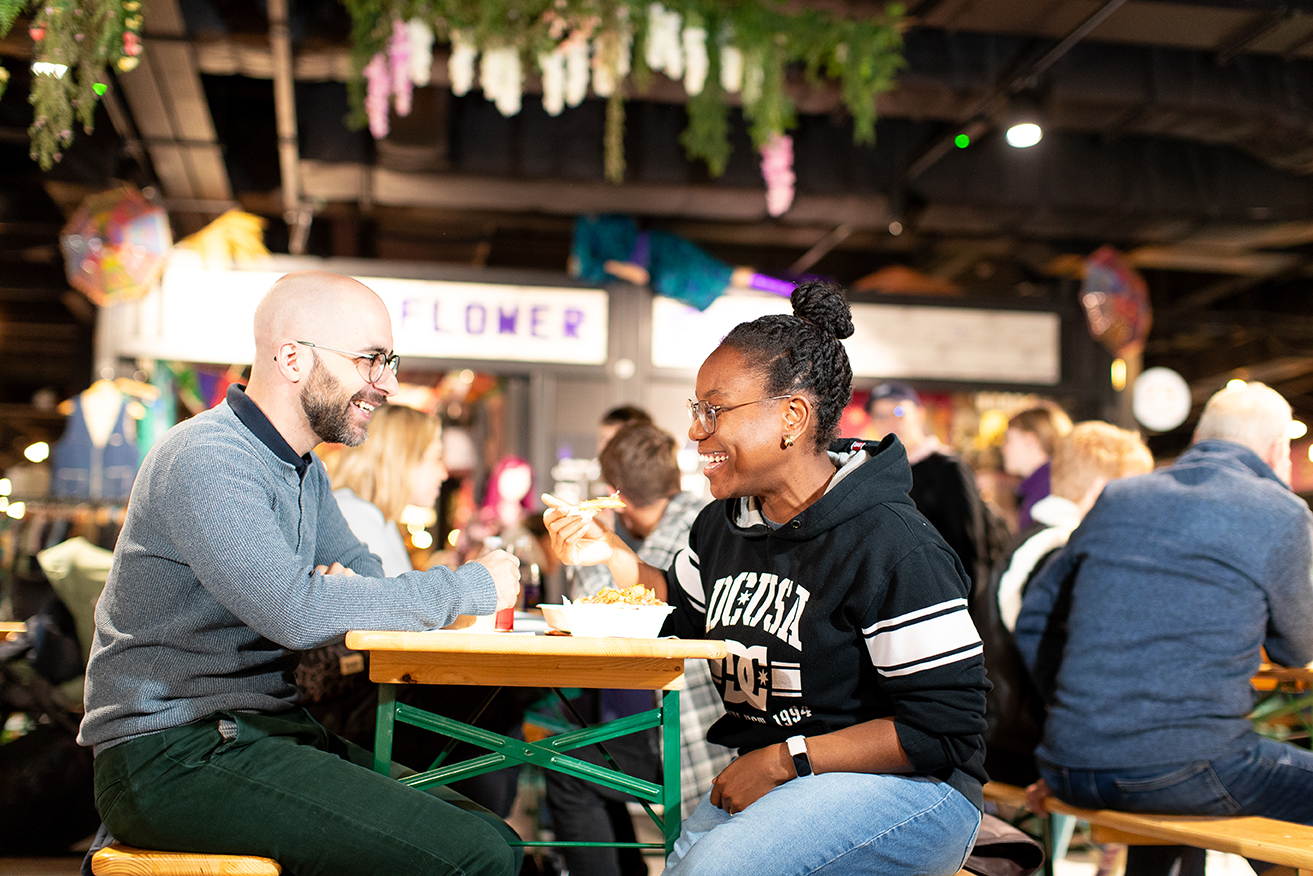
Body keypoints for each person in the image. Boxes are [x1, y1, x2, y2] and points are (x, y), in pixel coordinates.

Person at [76, 271, 523, 876]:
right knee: (479, 855)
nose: (388, 384)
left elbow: (368, 573)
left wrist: (340, 595)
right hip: (172, 751)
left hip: (260, 732)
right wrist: (473, 585)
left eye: (389, 362)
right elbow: (295, 612)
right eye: (371, 360)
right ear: (291, 357)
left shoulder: (302, 468)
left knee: (495, 837)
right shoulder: (208, 456)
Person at [543, 281, 988, 876]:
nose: (696, 433)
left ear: (793, 417)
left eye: (713, 411)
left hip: (915, 790)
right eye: (694, 412)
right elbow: (678, 614)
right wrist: (614, 552)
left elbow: (945, 728)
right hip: (783, 775)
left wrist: (785, 760)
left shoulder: (892, 544)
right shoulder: (723, 524)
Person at [1015, 382, 1313, 876]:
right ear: (1279, 451)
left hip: (1069, 766)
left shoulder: (1121, 496)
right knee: (1203, 765)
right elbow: (1297, 647)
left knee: (1179, 771)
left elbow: (1035, 617)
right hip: (1185, 770)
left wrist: (1079, 711)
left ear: (1199, 435)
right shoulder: (1280, 512)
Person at [546, 422, 734, 876]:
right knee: (576, 752)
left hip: (691, 737)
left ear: (619, 499)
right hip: (686, 722)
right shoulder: (701, 518)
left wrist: (601, 539)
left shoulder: (685, 534)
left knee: (565, 763)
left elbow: (596, 615)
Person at [972, 421, 1153, 787]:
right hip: (1026, 743)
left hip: (998, 732)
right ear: (1104, 490)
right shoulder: (1063, 551)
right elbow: (1057, 661)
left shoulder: (1037, 541)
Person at [865, 380, 996, 594]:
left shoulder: (948, 468)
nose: (890, 421)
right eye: (880, 415)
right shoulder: (878, 471)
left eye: (898, 411)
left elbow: (969, 547)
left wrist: (964, 606)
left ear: (919, 414)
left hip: (941, 596)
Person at [1001, 406, 1072, 530]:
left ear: (1030, 440)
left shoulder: (1045, 491)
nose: (1003, 448)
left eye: (1009, 440)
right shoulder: (1053, 480)